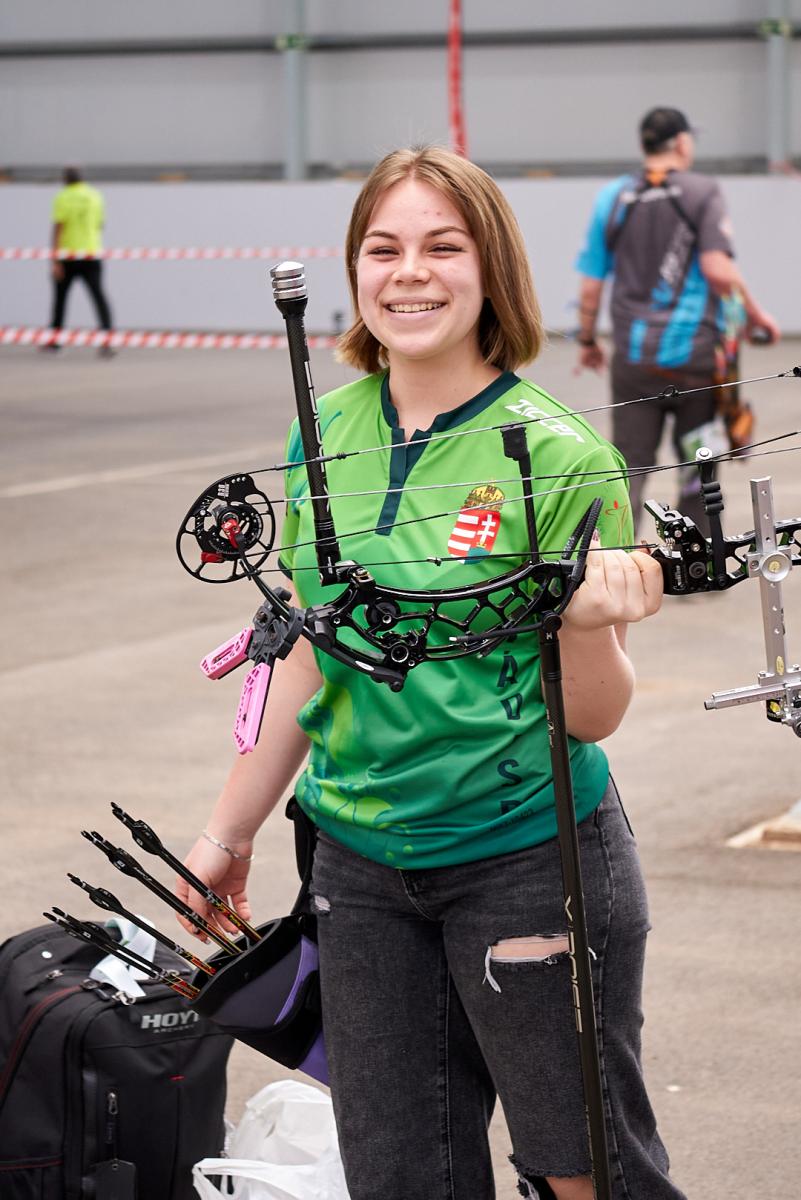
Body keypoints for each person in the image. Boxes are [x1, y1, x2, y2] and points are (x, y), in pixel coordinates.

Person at [177, 146, 686, 1200]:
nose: (410, 272)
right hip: (357, 868)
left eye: (443, 247)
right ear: (354, 272)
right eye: (384, 249)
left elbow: (591, 717)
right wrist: (227, 834)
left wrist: (588, 627)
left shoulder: (565, 456)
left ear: (491, 269)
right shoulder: (323, 429)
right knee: (400, 1177)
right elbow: (316, 647)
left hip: (527, 855)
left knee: (581, 1174)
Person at [575, 106, 779, 534]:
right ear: (682, 143)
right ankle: (698, 558)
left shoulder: (612, 197)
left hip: (634, 362)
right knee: (698, 466)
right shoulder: (702, 191)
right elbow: (719, 271)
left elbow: (591, 286)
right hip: (695, 361)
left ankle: (617, 556)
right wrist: (756, 315)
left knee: (629, 465)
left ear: (644, 145)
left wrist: (588, 340)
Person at [46, 166, 114, 354]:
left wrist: (55, 261)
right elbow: (100, 225)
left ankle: (55, 341)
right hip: (91, 253)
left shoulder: (63, 197)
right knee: (99, 297)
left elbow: (58, 229)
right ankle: (107, 340)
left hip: (68, 255)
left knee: (60, 299)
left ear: (65, 179)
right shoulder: (95, 196)